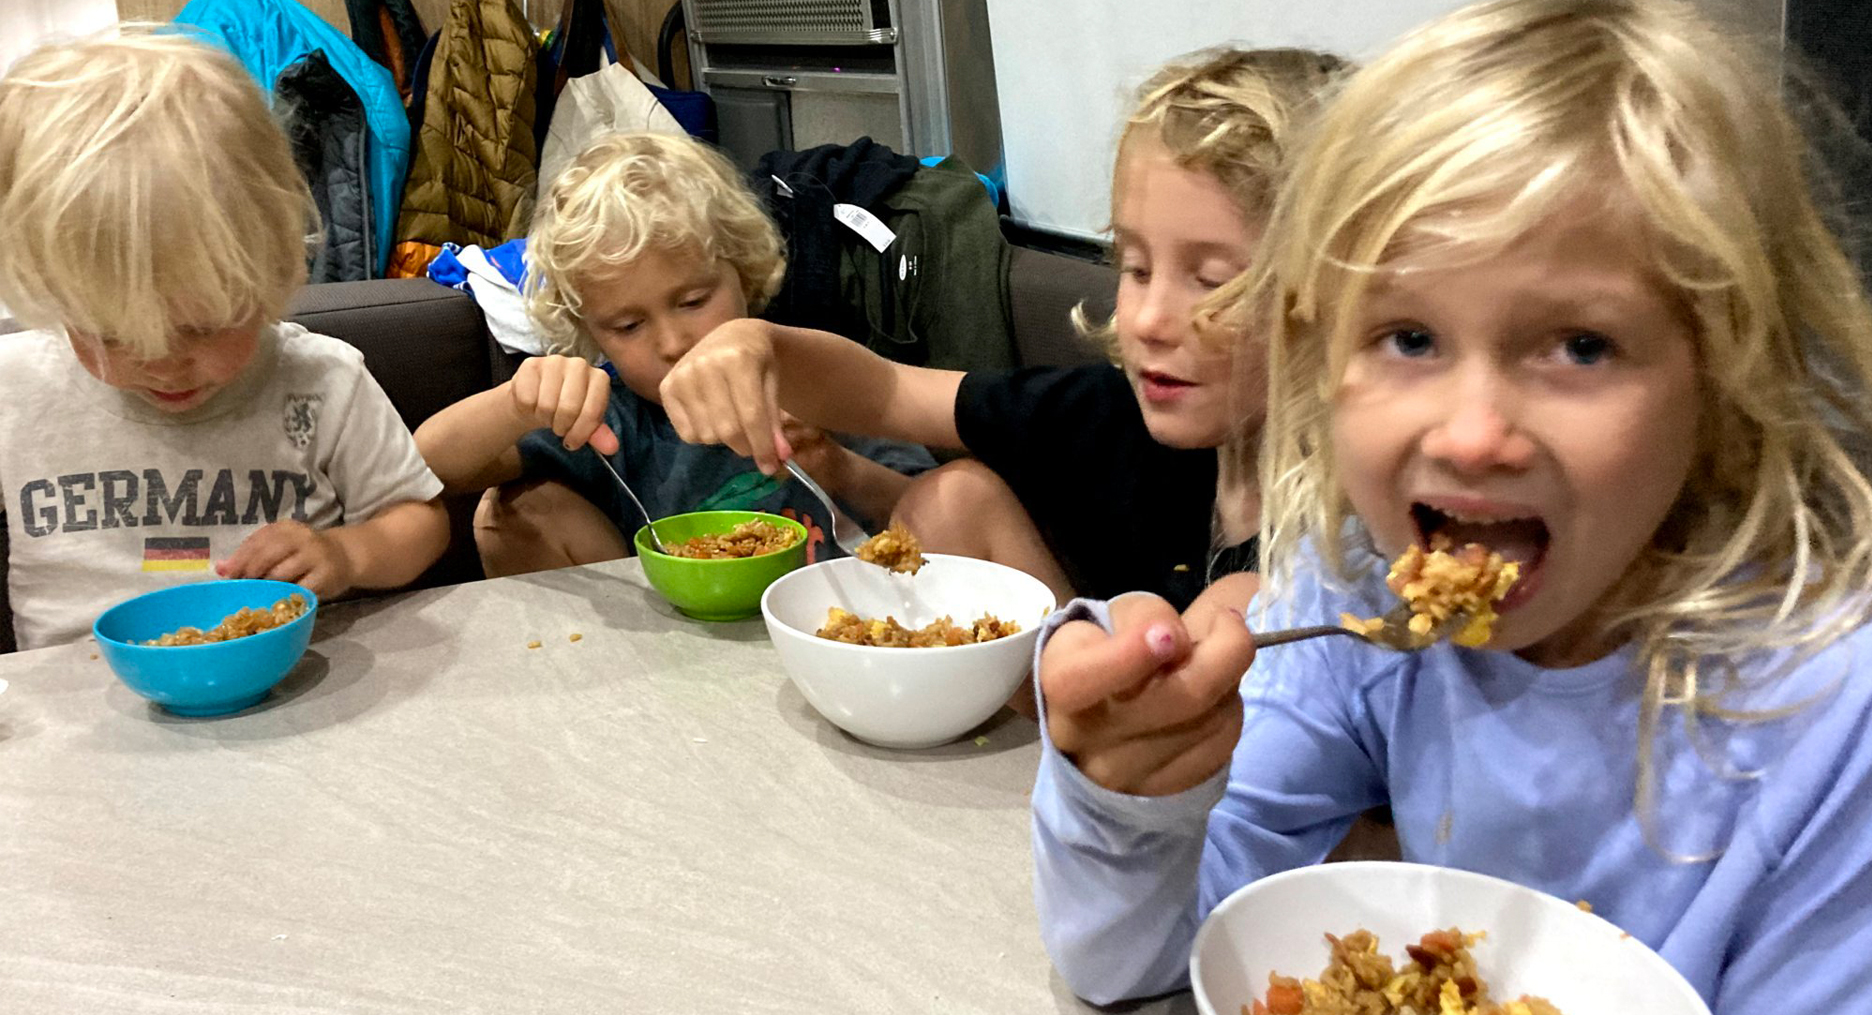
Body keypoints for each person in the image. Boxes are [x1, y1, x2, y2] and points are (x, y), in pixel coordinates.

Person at [1029, 2, 1872, 1015]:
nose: (1471, 436)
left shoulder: (1856, 711)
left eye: (1581, 345)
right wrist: (1130, 803)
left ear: (1726, 379)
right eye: (1409, 336)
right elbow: (1160, 958)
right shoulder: (1351, 592)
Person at [658, 48, 1346, 608]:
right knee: (949, 496)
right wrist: (756, 344)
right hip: (1087, 753)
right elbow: (889, 393)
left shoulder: (1367, 538)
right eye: (1136, 268)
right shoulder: (1116, 413)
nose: (1149, 319)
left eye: (1214, 280)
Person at [0, 31, 449, 651]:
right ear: (50, 294)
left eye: (202, 324)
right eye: (111, 334)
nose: (164, 363)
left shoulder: (323, 381)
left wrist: (347, 554)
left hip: (290, 686)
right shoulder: (13, 388)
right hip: (72, 712)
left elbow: (420, 521)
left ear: (270, 269)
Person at [412, 133, 934, 575]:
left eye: (693, 301)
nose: (672, 343)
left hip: (837, 634)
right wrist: (515, 404)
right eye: (628, 325)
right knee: (511, 507)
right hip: (667, 659)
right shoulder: (610, 418)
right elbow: (425, 469)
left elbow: (933, 513)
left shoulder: (811, 374)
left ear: (744, 273)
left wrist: (835, 466)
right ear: (592, 331)